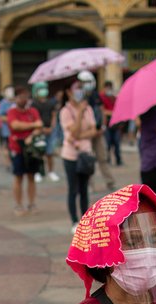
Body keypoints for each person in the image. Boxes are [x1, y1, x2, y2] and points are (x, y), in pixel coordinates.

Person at [59, 81, 97, 233]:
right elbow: (72, 131)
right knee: (73, 189)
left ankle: (85, 219)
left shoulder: (88, 108)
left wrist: (80, 135)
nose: (79, 91)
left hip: (86, 154)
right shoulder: (65, 111)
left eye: (81, 88)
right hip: (71, 156)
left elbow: (94, 130)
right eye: (76, 89)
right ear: (69, 91)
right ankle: (74, 221)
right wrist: (80, 113)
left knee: (84, 189)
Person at [6, 87, 43, 216]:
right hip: (17, 148)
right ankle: (18, 204)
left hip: (31, 149)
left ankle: (32, 203)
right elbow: (15, 125)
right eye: (21, 97)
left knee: (31, 176)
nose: (23, 99)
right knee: (18, 177)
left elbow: (40, 125)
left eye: (25, 96)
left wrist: (30, 135)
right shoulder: (12, 112)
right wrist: (32, 126)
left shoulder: (33, 111)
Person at [78, 70, 116, 191]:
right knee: (88, 159)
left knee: (102, 158)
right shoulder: (78, 96)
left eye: (87, 82)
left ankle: (110, 182)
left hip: (98, 131)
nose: (85, 84)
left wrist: (103, 127)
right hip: (86, 133)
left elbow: (102, 111)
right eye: (83, 82)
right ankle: (89, 184)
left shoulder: (95, 95)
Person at [31, 81, 61, 183]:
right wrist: (42, 129)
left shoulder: (50, 103)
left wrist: (51, 128)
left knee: (50, 152)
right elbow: (34, 118)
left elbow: (53, 115)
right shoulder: (33, 104)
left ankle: (51, 172)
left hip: (50, 131)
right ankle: (38, 172)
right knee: (39, 153)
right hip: (39, 131)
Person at [101, 80, 122, 166]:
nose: (109, 90)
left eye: (110, 88)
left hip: (116, 125)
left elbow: (119, 110)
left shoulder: (115, 98)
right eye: (107, 88)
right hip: (107, 124)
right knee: (108, 143)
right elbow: (103, 111)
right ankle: (108, 159)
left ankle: (118, 160)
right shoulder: (102, 97)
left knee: (117, 142)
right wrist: (112, 113)